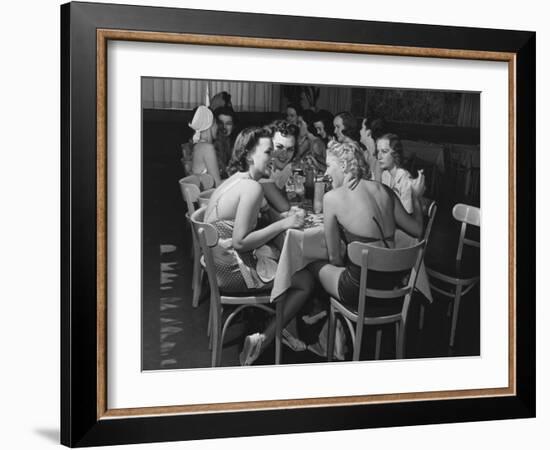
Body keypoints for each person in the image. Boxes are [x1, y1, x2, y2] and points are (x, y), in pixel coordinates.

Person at [204, 127, 313, 365]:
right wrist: (285, 223)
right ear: (249, 155)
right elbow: (240, 242)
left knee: (278, 256)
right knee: (304, 281)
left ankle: (279, 325)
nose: (273, 157)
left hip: (215, 262)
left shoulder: (236, 180)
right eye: (268, 152)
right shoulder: (252, 187)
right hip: (230, 270)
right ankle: (263, 340)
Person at [308, 140, 424, 333]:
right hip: (391, 285)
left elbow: (334, 258)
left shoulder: (332, 198)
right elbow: (418, 230)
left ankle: (328, 332)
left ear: (343, 166)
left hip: (358, 290)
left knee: (310, 263)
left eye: (329, 166)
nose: (326, 173)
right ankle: (331, 326)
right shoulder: (385, 191)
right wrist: (417, 198)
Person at [259, 120, 300, 213]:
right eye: (279, 147)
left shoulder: (283, 169)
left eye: (290, 149)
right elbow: (284, 207)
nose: (284, 154)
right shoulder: (261, 170)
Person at [377, 133, 415, 213]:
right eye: (378, 151)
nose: (379, 157)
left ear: (395, 154)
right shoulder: (385, 175)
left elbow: (408, 213)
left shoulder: (406, 180)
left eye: (384, 151)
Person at [189, 105, 222, 186]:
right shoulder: (207, 148)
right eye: (216, 123)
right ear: (211, 123)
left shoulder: (199, 145)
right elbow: (217, 184)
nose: (217, 127)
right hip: (209, 196)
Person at [358, 117, 386, 182]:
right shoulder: (364, 154)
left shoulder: (379, 160)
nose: (360, 131)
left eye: (362, 128)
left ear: (368, 132)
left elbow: (378, 188)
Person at [213, 106, 237, 177]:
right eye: (220, 123)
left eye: (228, 123)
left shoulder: (235, 143)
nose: (224, 127)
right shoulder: (213, 146)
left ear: (233, 126)